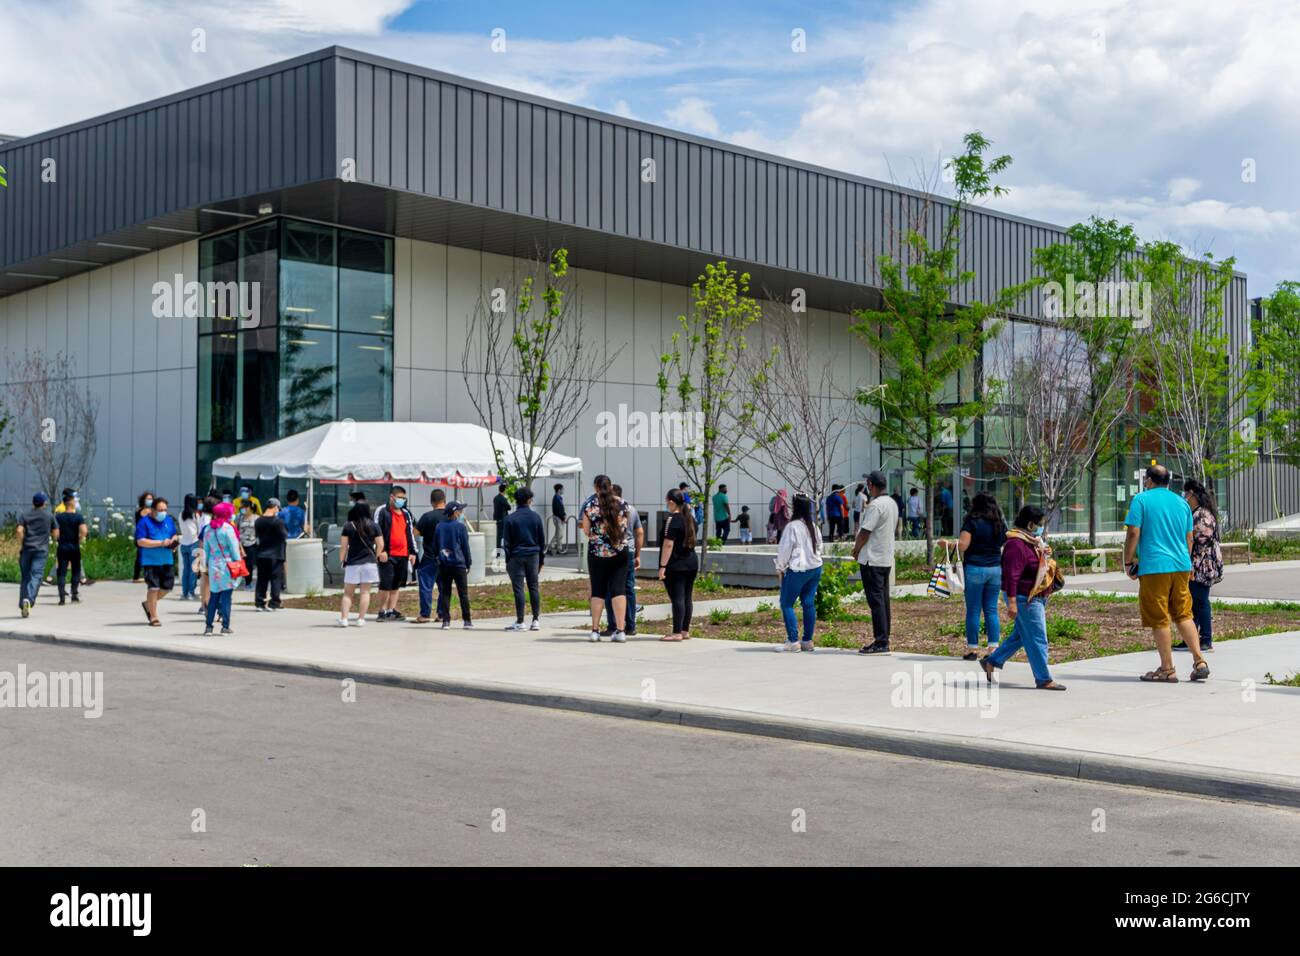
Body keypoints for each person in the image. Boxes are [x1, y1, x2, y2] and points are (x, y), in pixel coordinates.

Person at [1124, 465, 1210, 683]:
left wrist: (1128, 561)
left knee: (1159, 617)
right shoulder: (1182, 503)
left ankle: (1167, 668)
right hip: (1181, 565)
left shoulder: (1141, 500)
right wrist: (1188, 563)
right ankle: (1200, 661)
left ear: (1149, 480)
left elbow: (1134, 532)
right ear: (1168, 481)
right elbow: (1189, 538)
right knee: (1184, 614)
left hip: (1155, 566)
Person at [979, 505, 1066, 690]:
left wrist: (1044, 553)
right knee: (1038, 638)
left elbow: (1033, 563)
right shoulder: (1015, 544)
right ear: (1030, 524)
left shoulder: (1031, 541)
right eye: (1040, 524)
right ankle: (1043, 678)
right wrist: (1011, 603)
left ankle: (992, 661)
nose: (1042, 528)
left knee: (1020, 636)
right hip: (1024, 598)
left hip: (1035, 596)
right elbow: (1011, 576)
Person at [943, 491, 1006, 661]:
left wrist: (947, 544)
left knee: (973, 610)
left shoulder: (972, 522)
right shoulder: (999, 523)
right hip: (995, 569)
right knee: (992, 609)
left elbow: (963, 546)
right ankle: (993, 648)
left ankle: (972, 649)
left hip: (975, 569)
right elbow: (1003, 543)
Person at [580, 475, 632, 643]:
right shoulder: (623, 504)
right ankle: (620, 630)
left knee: (598, 591)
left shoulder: (590, 505)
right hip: (619, 553)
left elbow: (586, 531)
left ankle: (595, 630)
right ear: (610, 486)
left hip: (597, 554)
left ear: (596, 487)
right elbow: (625, 527)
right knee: (619, 590)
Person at [853, 471, 899, 655]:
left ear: (870, 484)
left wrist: (856, 549)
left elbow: (864, 532)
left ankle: (881, 641)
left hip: (872, 559)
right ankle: (884, 638)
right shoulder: (892, 503)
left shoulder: (875, 505)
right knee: (883, 600)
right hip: (885, 558)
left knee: (876, 601)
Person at [1179, 478, 1222, 653]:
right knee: (1192, 602)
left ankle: (1206, 639)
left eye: (1185, 493)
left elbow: (1201, 540)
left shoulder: (1202, 515)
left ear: (1192, 494)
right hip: (1195, 563)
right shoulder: (1195, 513)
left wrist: (1187, 547)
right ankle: (1190, 638)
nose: (1184, 497)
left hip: (1203, 565)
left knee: (1201, 601)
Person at [657, 488, 699, 642]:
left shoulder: (672, 520)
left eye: (666, 502)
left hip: (676, 565)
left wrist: (662, 566)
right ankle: (684, 630)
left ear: (672, 502)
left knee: (678, 598)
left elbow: (668, 544)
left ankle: (676, 632)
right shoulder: (691, 519)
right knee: (687, 598)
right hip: (691, 562)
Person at [502, 487, 546, 632]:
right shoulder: (536, 517)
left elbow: (506, 543)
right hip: (533, 555)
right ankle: (535, 619)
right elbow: (541, 541)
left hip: (516, 556)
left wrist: (507, 560)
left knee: (518, 588)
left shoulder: (510, 519)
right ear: (529, 500)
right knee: (533, 586)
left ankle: (520, 621)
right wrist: (541, 560)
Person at [603, 484, 643, 636]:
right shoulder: (632, 509)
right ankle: (630, 625)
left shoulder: (607, 510)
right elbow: (639, 532)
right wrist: (638, 554)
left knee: (610, 588)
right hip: (629, 551)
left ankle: (613, 624)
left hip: (610, 552)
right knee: (628, 588)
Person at [338, 501, 385, 628]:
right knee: (365, 592)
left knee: (348, 593)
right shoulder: (374, 526)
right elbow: (380, 544)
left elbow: (344, 546)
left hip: (353, 563)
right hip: (369, 563)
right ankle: (360, 619)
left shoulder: (348, 526)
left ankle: (344, 619)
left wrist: (342, 559)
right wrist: (376, 556)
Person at [375, 486, 417, 622]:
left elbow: (409, 533)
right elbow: (376, 532)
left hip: (403, 554)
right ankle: (381, 610)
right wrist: (380, 551)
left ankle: (391, 610)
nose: (402, 500)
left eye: (404, 498)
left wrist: (412, 552)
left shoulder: (406, 514)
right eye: (399, 497)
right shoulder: (382, 511)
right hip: (387, 555)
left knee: (396, 585)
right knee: (385, 584)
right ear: (391, 497)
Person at [135, 496, 179, 627]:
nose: (163, 512)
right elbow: (141, 541)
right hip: (150, 561)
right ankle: (153, 617)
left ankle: (148, 603)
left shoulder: (168, 520)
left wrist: (174, 542)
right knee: (153, 588)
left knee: (167, 587)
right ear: (153, 510)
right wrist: (161, 543)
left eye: (165, 509)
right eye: (160, 509)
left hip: (167, 560)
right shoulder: (144, 522)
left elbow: (173, 534)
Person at [201, 501, 242, 636]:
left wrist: (205, 565)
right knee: (226, 596)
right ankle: (225, 625)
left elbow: (205, 550)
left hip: (213, 565)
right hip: (227, 565)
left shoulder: (208, 529)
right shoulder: (228, 528)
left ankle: (208, 626)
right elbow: (234, 548)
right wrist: (238, 562)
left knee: (214, 596)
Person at [434, 501, 473, 628]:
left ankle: (446, 621)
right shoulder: (460, 527)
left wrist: (438, 559)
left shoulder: (439, 526)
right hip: (459, 564)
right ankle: (467, 621)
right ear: (455, 513)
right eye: (460, 511)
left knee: (445, 592)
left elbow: (435, 546)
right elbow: (465, 547)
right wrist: (468, 562)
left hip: (444, 564)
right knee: (463, 593)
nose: (461, 513)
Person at [16, 493, 54, 617]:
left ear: (33, 503)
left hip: (27, 550)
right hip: (41, 550)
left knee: (25, 577)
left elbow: (19, 530)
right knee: (36, 575)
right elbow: (56, 532)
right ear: (44, 503)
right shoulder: (49, 516)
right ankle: (29, 599)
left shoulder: (25, 515)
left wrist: (23, 542)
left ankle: (23, 603)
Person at [414, 489, 447, 623]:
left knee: (426, 587)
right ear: (444, 500)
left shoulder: (427, 516)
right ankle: (442, 614)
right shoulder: (451, 516)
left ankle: (425, 614)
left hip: (429, 557)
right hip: (446, 558)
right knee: (444, 587)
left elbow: (414, 533)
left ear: (432, 502)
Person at [253, 498, 288, 611]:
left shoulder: (258, 521)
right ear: (275, 507)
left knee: (261, 579)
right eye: (278, 508)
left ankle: (260, 602)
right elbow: (284, 535)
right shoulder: (278, 522)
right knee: (275, 579)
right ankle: (274, 602)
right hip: (276, 554)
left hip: (261, 553)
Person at [54, 491, 88, 605]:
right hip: (74, 547)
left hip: (62, 547)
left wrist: (58, 539)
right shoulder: (78, 516)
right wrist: (79, 538)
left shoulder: (58, 517)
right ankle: (74, 595)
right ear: (71, 503)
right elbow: (84, 531)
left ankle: (62, 598)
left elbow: (55, 533)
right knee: (76, 571)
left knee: (61, 572)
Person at [178, 494, 208, 602]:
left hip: (184, 544)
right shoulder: (195, 515)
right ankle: (191, 592)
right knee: (193, 570)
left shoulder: (181, 514)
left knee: (186, 570)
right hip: (194, 543)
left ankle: (184, 593)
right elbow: (200, 530)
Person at [132, 490, 155, 581]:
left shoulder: (151, 510)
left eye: (151, 499)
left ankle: (145, 576)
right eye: (148, 499)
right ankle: (137, 576)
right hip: (142, 536)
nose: (150, 500)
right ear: (143, 500)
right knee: (141, 556)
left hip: (149, 536)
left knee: (147, 556)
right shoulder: (142, 511)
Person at [236, 500, 259, 590]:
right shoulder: (238, 517)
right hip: (241, 544)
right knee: (240, 563)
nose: (243, 509)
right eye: (241, 507)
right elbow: (236, 530)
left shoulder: (256, 518)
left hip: (252, 543)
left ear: (250, 508)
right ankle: (240, 580)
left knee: (249, 564)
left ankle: (248, 582)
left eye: (245, 507)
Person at [548, 483, 567, 555]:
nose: (563, 490)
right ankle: (551, 547)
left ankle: (559, 549)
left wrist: (563, 515)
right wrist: (563, 516)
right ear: (559, 490)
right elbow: (558, 509)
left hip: (559, 517)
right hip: (558, 518)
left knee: (559, 534)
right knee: (559, 534)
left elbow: (560, 509)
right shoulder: (557, 498)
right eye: (562, 489)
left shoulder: (558, 497)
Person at [492, 486, 511, 554]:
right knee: (505, 536)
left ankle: (498, 552)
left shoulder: (495, 498)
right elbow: (509, 507)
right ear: (504, 490)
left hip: (496, 519)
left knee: (498, 537)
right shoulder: (503, 499)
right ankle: (506, 551)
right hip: (503, 520)